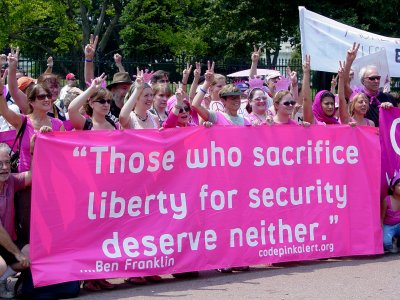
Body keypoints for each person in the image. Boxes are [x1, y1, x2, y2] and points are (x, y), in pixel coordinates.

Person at [0, 142, 32, 298]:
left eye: (7, 162)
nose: (5, 167)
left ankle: (2, 280)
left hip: (9, 243)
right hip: (3, 243)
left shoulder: (11, 180)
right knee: (0, 265)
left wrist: (33, 149)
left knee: (32, 252)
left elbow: (34, 174)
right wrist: (17, 253)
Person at [192, 62, 250, 127]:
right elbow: (195, 104)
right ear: (223, 100)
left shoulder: (246, 121)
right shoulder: (216, 117)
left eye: (238, 97)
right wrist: (207, 82)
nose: (236, 100)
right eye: (233, 98)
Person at [302, 55, 339, 125]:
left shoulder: (336, 123)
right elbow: (306, 99)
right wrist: (306, 73)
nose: (330, 107)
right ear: (319, 105)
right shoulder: (313, 122)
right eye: (326, 104)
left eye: (332, 104)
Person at [337, 61, 374, 126]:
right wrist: (341, 78)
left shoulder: (371, 124)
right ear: (353, 105)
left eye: (366, 102)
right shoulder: (347, 120)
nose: (364, 104)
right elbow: (341, 99)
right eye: (360, 102)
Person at [382, 174, 400, 253]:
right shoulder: (387, 200)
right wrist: (382, 229)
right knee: (387, 243)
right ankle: (393, 240)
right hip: (388, 226)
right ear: (392, 188)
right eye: (399, 185)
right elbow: (381, 216)